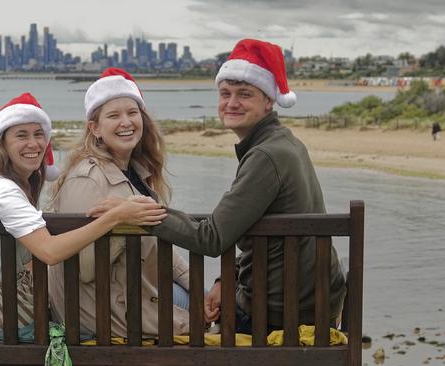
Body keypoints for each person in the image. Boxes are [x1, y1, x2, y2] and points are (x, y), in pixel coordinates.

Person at [90, 40, 346, 333]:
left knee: (178, 310)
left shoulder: (266, 156)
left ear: (268, 101)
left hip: (278, 313)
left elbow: (210, 237)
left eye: (244, 94)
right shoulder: (284, 143)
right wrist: (228, 279)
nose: (232, 102)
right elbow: (258, 230)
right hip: (316, 300)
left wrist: (136, 212)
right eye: (225, 94)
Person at [0, 92, 167, 331]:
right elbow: (50, 252)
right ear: (2, 143)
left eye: (39, 134)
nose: (33, 144)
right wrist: (116, 217)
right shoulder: (3, 192)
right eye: (21, 135)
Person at [47, 68, 191, 339]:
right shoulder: (87, 179)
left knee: (209, 300)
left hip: (134, 294)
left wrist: (196, 286)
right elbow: (85, 267)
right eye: (113, 115)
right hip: (102, 313)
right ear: (95, 128)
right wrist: (123, 220)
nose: (126, 122)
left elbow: (161, 246)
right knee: (223, 316)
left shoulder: (136, 172)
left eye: (132, 113)